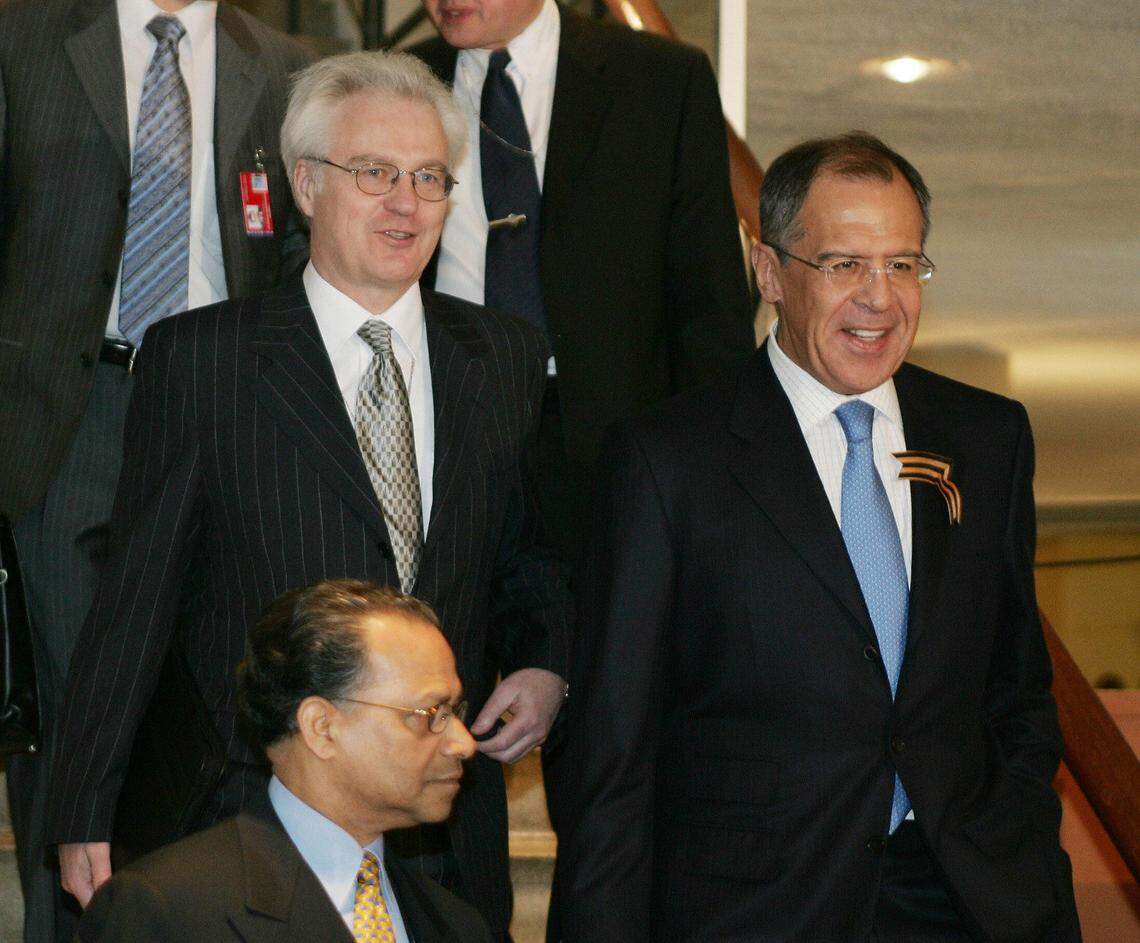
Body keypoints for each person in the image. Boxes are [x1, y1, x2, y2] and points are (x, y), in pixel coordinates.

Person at [47, 49, 572, 942]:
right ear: (305, 183)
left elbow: (528, 555)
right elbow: (135, 599)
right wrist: (83, 803)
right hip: (247, 819)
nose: (405, 203)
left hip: (440, 827)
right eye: (374, 173)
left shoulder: (506, 358)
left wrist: (543, 663)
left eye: (429, 178)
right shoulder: (203, 359)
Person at [558, 132, 1081, 942]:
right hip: (758, 909)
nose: (881, 296)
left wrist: (1010, 825)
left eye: (904, 264)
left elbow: (1014, 683)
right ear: (770, 274)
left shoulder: (987, 437)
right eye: (845, 264)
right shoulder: (668, 459)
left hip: (970, 899)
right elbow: (615, 749)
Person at [0, 0, 311, 937]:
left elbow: (298, 251)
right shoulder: (23, 37)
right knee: (73, 703)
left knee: (216, 703)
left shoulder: (287, 66)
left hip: (221, 414)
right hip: (68, 414)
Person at [410, 0, 756, 568]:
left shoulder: (661, 80)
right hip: (441, 433)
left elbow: (708, 306)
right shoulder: (396, 83)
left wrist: (716, 478)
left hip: (606, 449)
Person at [77, 579, 494, 942]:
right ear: (321, 727)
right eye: (431, 715)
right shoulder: (166, 911)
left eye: (455, 712)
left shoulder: (456, 923)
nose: (463, 743)